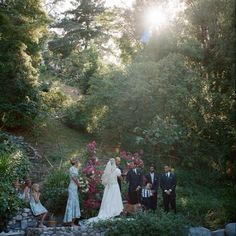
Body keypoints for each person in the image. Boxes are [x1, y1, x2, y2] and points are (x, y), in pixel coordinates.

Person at [63, 158, 81, 226]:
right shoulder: (72, 168)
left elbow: (76, 178)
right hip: (72, 187)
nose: (79, 164)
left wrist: (79, 183)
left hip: (75, 187)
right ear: (76, 162)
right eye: (78, 162)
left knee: (75, 203)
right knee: (72, 203)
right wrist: (78, 184)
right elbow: (74, 178)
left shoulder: (75, 169)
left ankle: (72, 222)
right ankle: (70, 222)